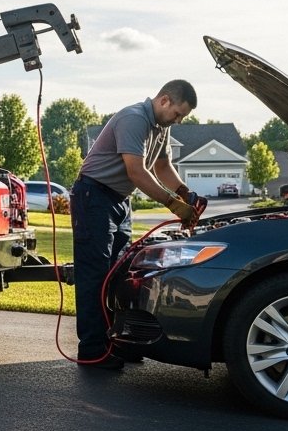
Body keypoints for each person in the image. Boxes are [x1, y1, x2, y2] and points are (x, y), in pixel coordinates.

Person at [70, 79, 204, 370]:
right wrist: (173, 204)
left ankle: (120, 342)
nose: (178, 121)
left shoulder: (161, 128)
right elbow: (137, 172)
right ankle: (92, 351)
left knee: (119, 276)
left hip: (118, 201)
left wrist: (186, 193)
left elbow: (163, 166)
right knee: (95, 275)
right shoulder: (133, 118)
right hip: (93, 196)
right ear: (164, 100)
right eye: (178, 114)